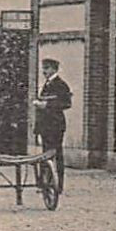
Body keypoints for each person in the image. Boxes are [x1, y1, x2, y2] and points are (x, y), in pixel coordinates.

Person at [33, 57, 72, 193]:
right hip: (45, 125)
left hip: (55, 125)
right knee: (45, 154)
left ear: (54, 69)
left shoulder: (61, 85)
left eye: (47, 68)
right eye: (43, 68)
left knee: (56, 154)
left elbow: (66, 103)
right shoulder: (46, 84)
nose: (44, 71)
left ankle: (58, 185)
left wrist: (46, 105)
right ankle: (45, 182)